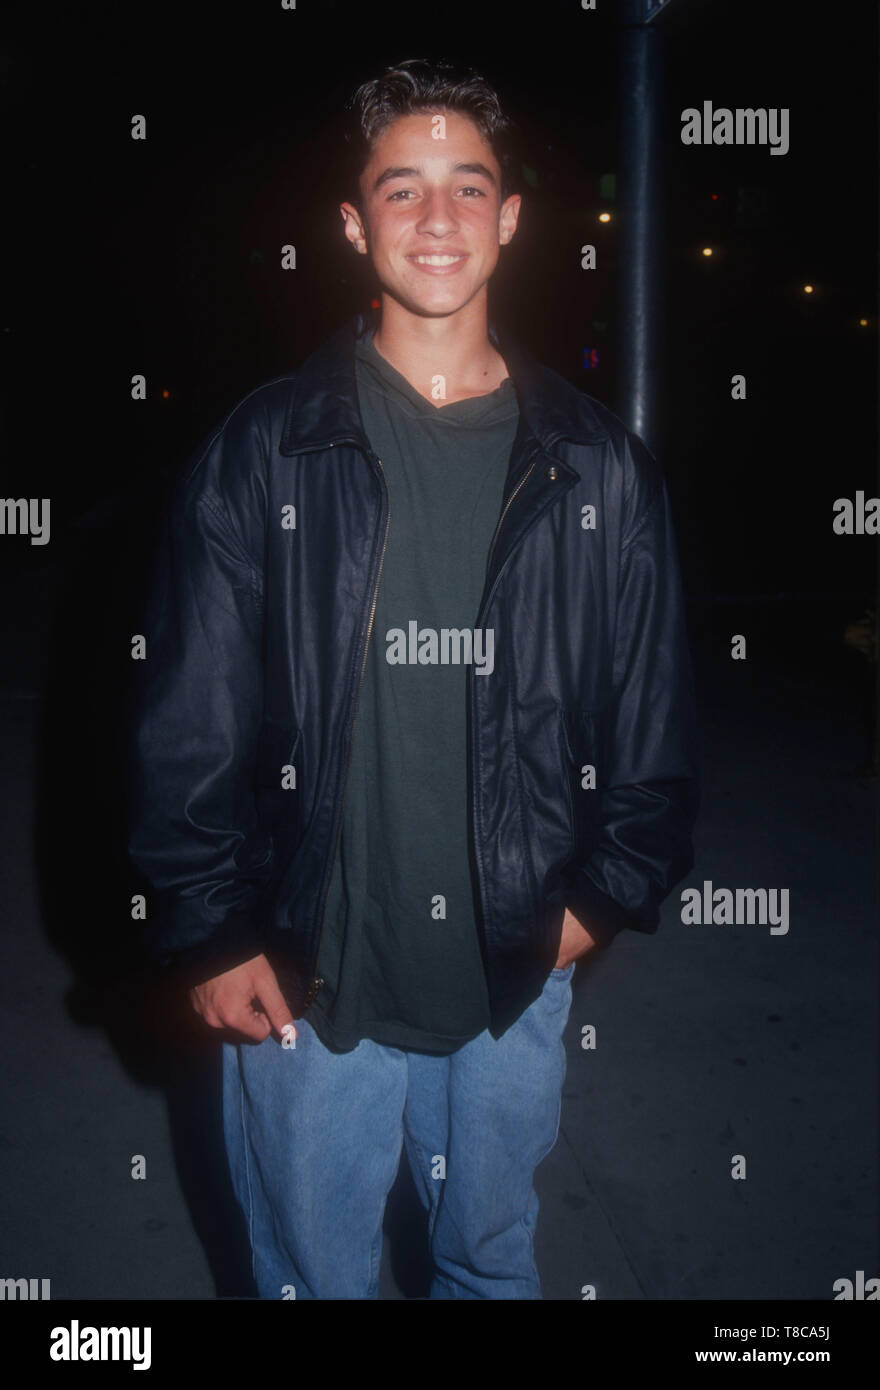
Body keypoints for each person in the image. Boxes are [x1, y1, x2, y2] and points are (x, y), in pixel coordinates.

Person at [126, 56, 699, 1300]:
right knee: (309, 1277)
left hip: (511, 973)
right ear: (350, 224)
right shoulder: (261, 452)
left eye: (466, 186)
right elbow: (191, 721)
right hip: (306, 971)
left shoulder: (601, 472)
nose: (436, 219)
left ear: (509, 218)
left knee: (488, 1263)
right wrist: (211, 927)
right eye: (400, 189)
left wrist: (593, 903)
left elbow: (652, 727)